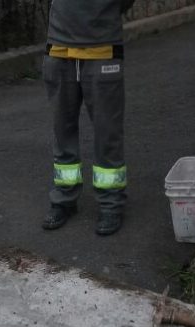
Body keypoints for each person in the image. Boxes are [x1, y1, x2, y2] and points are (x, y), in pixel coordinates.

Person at [41, 0, 134, 236]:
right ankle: (63, 199)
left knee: (107, 133)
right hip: (59, 50)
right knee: (62, 131)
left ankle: (111, 204)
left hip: (102, 50)